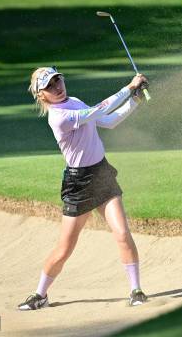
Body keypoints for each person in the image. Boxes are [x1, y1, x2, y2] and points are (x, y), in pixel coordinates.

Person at [18, 66, 149, 310]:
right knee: (65, 248)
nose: (57, 87)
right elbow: (99, 110)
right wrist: (129, 88)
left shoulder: (75, 101)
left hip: (102, 174)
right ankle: (40, 294)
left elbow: (107, 121)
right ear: (42, 95)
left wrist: (136, 100)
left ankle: (136, 290)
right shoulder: (58, 117)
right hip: (78, 184)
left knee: (122, 233)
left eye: (58, 80)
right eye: (50, 86)